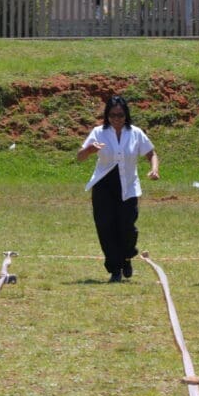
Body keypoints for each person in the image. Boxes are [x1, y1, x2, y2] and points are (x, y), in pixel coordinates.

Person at [77, 95, 159, 283]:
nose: (116, 119)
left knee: (127, 228)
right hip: (104, 187)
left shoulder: (136, 133)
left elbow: (151, 153)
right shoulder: (99, 132)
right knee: (106, 228)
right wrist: (89, 150)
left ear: (126, 115)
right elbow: (80, 156)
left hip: (128, 188)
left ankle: (127, 256)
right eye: (112, 115)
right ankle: (115, 269)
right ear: (107, 115)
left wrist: (154, 169)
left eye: (120, 115)